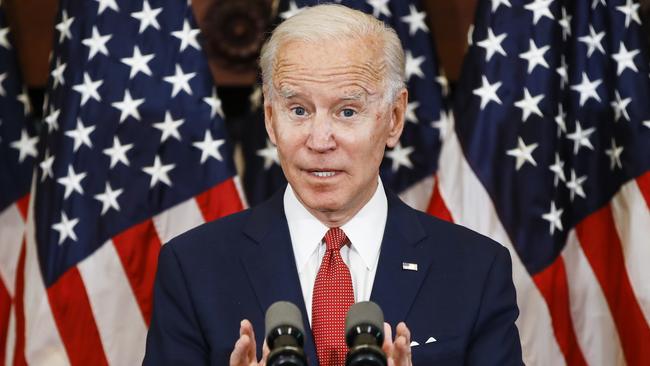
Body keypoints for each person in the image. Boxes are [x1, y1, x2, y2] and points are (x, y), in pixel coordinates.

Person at [143, 4, 523, 366]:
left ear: (394, 117)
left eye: (347, 111)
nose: (320, 140)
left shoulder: (476, 270)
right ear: (271, 120)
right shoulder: (193, 267)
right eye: (298, 111)